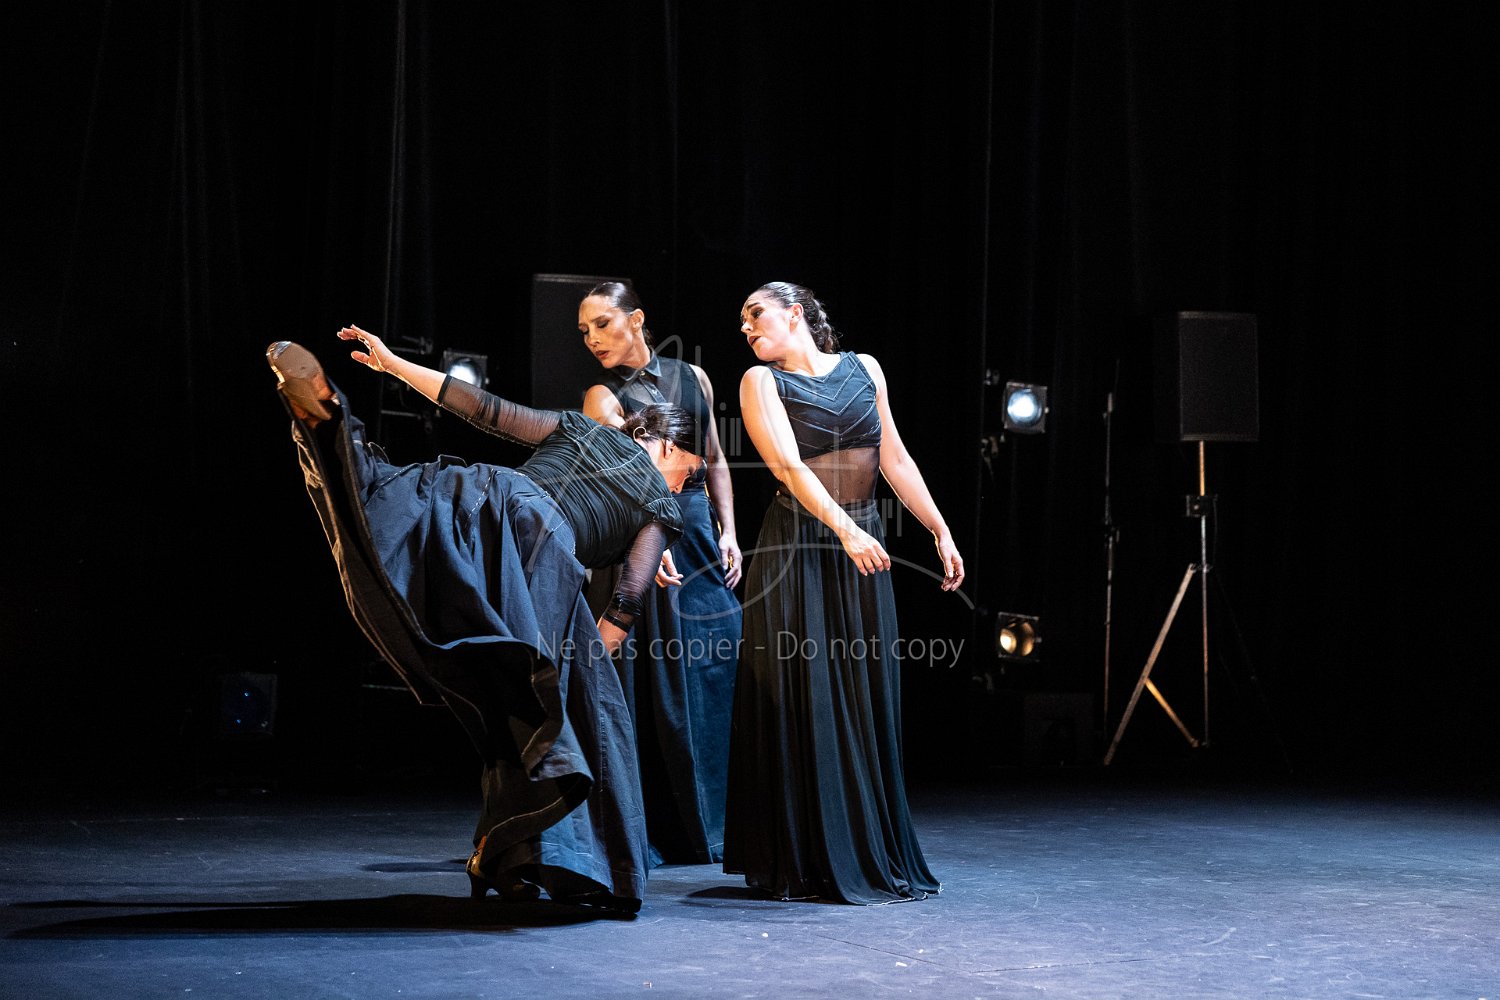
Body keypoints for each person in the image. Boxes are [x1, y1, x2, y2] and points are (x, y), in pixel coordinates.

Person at [266, 331, 704, 914]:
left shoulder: (582, 429)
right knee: (561, 721)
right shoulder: (663, 506)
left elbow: (485, 409)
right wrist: (581, 674)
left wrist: (394, 365)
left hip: (478, 504)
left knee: (379, 506)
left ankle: (332, 429)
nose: (687, 486)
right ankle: (552, 860)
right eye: (691, 473)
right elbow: (626, 601)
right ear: (670, 445)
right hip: (537, 556)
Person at [721, 281, 965, 905]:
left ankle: (867, 845)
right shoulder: (760, 382)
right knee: (810, 693)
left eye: (755, 315)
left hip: (861, 540)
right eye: (742, 320)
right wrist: (845, 529)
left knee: (862, 690)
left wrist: (939, 529)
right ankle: (807, 857)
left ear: (794, 313)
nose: (746, 328)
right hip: (799, 546)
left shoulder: (866, 369)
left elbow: (895, 459)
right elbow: (788, 467)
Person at [577, 281, 743, 865]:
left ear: (636, 318)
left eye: (601, 323)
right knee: (660, 681)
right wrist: (649, 543)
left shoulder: (693, 377)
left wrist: (728, 530)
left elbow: (715, 457)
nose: (592, 338)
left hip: (697, 529)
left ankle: (721, 824)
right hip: (646, 535)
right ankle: (665, 827)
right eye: (584, 331)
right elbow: (620, 483)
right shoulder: (602, 395)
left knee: (716, 664)